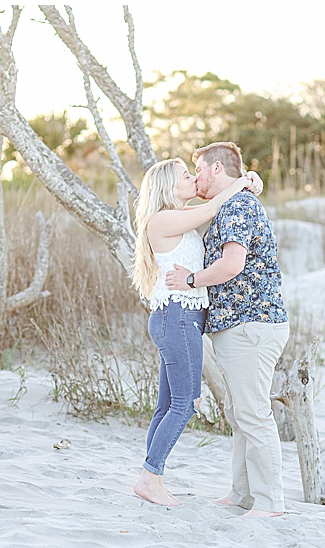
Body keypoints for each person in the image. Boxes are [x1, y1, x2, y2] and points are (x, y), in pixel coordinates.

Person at [166, 142, 290, 517]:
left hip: (251, 325)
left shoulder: (238, 206)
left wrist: (191, 280)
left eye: (199, 169)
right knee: (242, 414)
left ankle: (269, 503)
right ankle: (243, 494)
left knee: (253, 414)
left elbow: (232, 265)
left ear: (218, 169)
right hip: (241, 325)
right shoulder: (231, 204)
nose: (197, 177)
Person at [130, 157, 262, 507]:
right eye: (186, 176)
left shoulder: (177, 222)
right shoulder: (163, 219)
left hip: (178, 318)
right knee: (186, 404)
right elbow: (214, 207)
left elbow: (211, 209)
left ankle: (151, 476)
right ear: (168, 188)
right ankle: (150, 477)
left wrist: (248, 180)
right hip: (178, 317)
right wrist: (244, 180)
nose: (193, 179)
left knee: (166, 406)